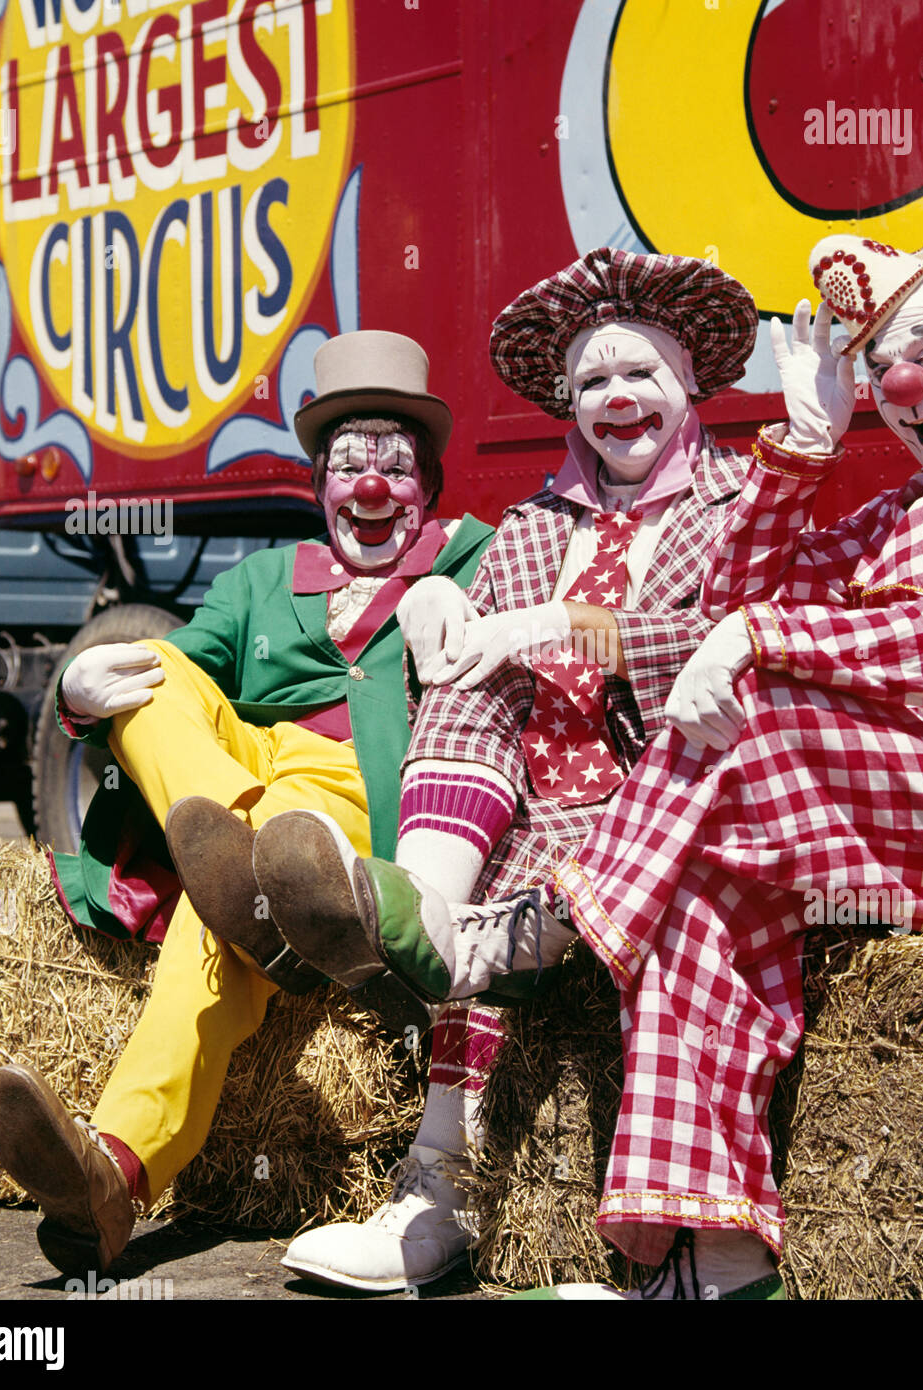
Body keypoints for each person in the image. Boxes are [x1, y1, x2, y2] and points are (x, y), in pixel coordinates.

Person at [304, 237, 923, 1299]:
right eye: (878, 365)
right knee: (710, 895)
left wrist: (738, 638)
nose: (902, 383)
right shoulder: (884, 514)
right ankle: (706, 1265)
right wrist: (806, 446)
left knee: (739, 713)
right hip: (842, 819)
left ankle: (530, 932)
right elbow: (764, 584)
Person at [250, 246, 759, 1290]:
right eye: (593, 383)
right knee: (470, 682)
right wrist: (448, 610)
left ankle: (657, 1246)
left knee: (511, 930)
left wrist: (562, 623)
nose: (616, 398)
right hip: (534, 808)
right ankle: (431, 1169)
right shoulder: (537, 520)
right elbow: (485, 657)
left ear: (689, 382)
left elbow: (719, 645)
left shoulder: (738, 505)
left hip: (657, 805)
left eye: (639, 374)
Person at [0, 331, 494, 1276]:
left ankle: (117, 1173)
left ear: (427, 484)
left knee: (205, 927)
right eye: (349, 464)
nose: (371, 486)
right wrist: (76, 693)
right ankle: (230, 845)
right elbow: (178, 672)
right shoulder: (265, 578)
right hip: (249, 775)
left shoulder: (475, 560)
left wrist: (470, 613)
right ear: (319, 484)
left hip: (364, 796)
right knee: (154, 675)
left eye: (393, 463)